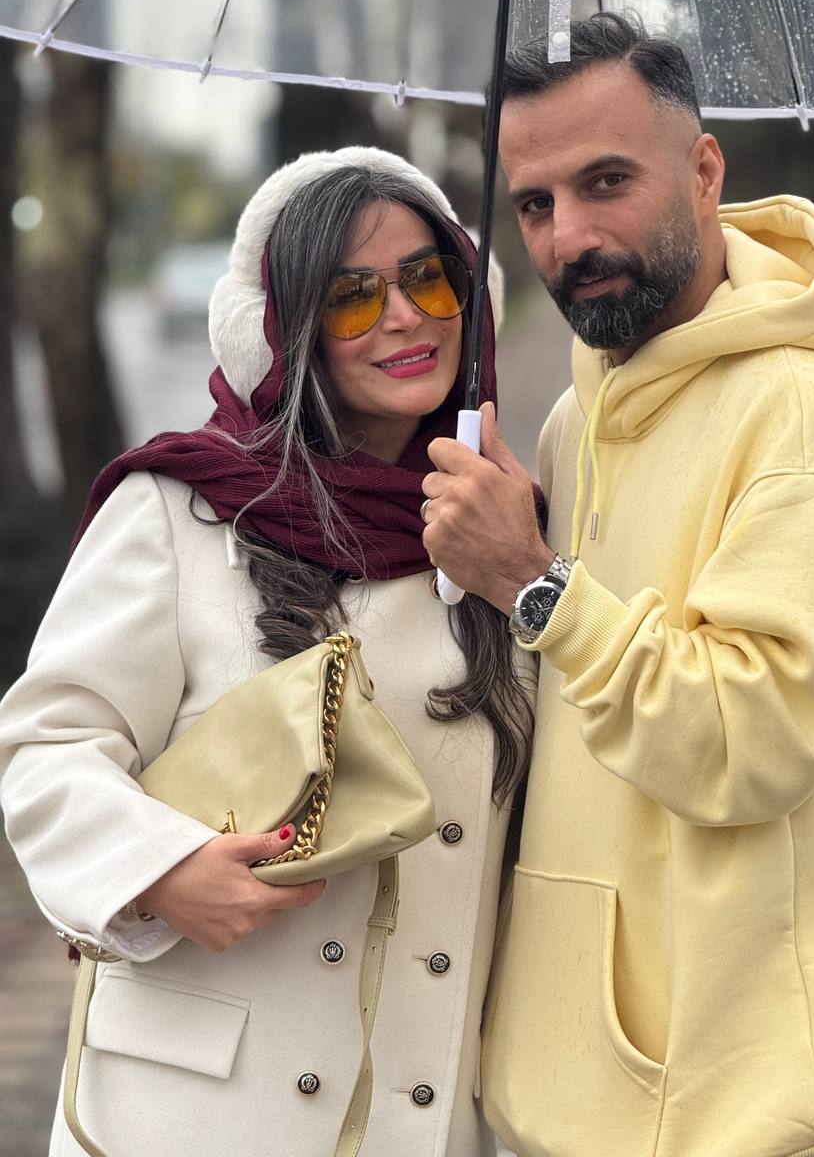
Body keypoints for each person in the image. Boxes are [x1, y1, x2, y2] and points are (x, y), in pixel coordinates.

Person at [421, 15, 814, 1157]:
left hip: (742, 1117)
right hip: (579, 1102)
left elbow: (749, 741)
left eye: (606, 181)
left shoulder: (807, 417)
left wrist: (537, 586)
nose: (570, 236)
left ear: (704, 172)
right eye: (535, 203)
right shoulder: (581, 410)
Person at [0, 147, 536, 1157]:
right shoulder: (180, 508)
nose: (404, 317)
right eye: (351, 297)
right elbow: (45, 746)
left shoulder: (510, 536)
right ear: (284, 331)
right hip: (194, 1117)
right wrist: (160, 871)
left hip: (417, 1114)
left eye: (429, 278)